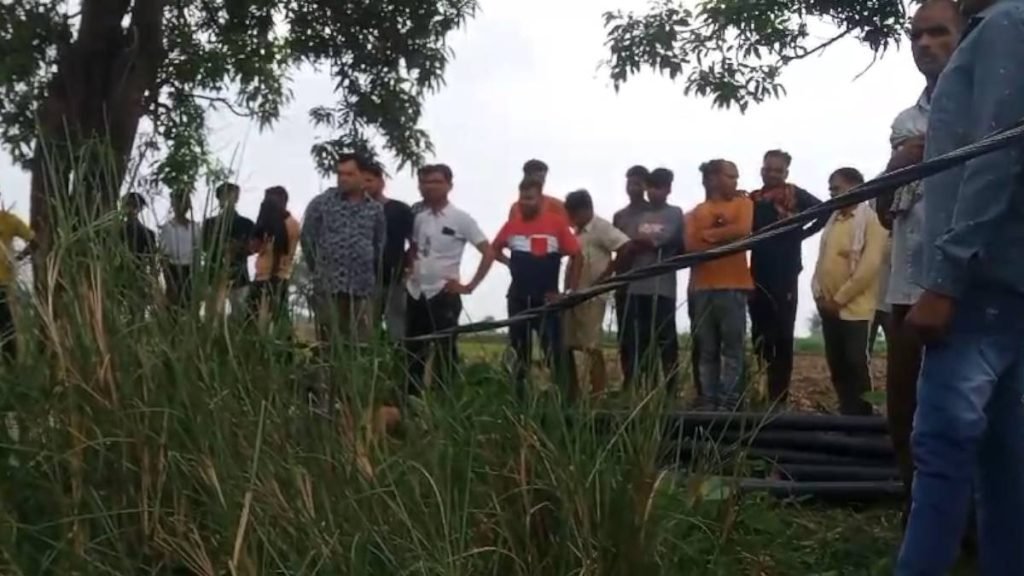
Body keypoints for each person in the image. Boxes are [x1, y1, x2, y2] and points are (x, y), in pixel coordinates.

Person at [898, 0, 1024, 573]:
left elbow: (998, 154)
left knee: (942, 452)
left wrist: (945, 280)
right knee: (1004, 462)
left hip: (978, 285)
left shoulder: (1006, 24)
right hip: (1005, 281)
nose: (924, 43)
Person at [873, 0, 963, 530]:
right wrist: (898, 162)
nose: (925, 44)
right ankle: (918, 507)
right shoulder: (906, 121)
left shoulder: (994, 108)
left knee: (966, 407)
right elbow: (886, 211)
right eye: (916, 36)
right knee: (903, 407)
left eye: (938, 33)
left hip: (966, 284)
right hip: (907, 286)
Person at [405, 164, 494, 396]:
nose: (430, 187)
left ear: (449, 185)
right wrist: (409, 269)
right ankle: (411, 403)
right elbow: (414, 248)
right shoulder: (419, 218)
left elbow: (488, 252)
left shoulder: (460, 219)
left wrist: (469, 286)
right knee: (413, 352)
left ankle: (444, 401)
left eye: (437, 182)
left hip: (443, 293)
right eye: (426, 182)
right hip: (416, 292)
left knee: (445, 353)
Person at [748, 150, 825, 407]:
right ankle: (759, 389)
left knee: (782, 334)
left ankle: (779, 397)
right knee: (760, 333)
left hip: (786, 273)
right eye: (768, 169)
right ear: (762, 169)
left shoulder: (796, 195)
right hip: (757, 273)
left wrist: (801, 233)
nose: (771, 174)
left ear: (786, 173)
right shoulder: (754, 199)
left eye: (777, 170)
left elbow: (825, 211)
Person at [493, 177, 581, 400]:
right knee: (518, 352)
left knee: (554, 352)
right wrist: (509, 263)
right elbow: (494, 249)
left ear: (540, 199)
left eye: (530, 198)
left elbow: (577, 255)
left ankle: (565, 402)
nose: (524, 203)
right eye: (522, 198)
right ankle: (518, 400)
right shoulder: (512, 225)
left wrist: (569, 291)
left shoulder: (556, 224)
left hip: (547, 299)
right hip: (518, 298)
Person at [811, 168, 887, 416]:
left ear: (856, 187)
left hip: (855, 308)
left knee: (856, 362)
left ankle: (862, 418)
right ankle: (846, 414)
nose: (832, 194)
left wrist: (839, 299)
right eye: (831, 189)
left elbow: (869, 267)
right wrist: (818, 294)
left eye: (837, 188)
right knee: (837, 364)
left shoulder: (872, 220)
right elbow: (821, 261)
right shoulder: (833, 220)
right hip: (828, 307)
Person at [685, 160, 753, 411]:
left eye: (736, 177)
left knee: (733, 348)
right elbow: (692, 247)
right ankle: (709, 399)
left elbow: (743, 230)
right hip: (701, 288)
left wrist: (709, 235)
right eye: (730, 176)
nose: (735, 182)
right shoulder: (694, 213)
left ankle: (730, 401)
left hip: (734, 285)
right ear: (712, 179)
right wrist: (724, 236)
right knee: (707, 348)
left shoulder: (744, 204)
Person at [301, 153, 385, 346]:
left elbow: (379, 244)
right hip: (329, 286)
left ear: (363, 176)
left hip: (362, 287)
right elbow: (307, 240)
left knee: (362, 345)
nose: (343, 178)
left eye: (349, 174)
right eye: (340, 174)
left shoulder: (375, 209)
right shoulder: (321, 203)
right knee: (328, 345)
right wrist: (319, 269)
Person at [620, 168, 683, 393]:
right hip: (637, 286)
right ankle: (646, 388)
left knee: (666, 339)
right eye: (651, 187)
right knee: (641, 340)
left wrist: (641, 242)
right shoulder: (639, 215)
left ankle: (671, 389)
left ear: (668, 189)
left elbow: (660, 241)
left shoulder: (674, 213)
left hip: (661, 287)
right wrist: (639, 243)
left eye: (659, 188)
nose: (654, 192)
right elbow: (627, 244)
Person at [563, 189, 631, 398]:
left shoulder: (600, 227)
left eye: (573, 215)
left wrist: (606, 276)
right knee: (567, 343)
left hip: (593, 295)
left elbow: (625, 246)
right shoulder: (577, 232)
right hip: (575, 294)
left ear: (584, 210)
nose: (571, 219)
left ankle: (598, 393)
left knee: (591, 344)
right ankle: (572, 391)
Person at [364, 161, 414, 341]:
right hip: (365, 281)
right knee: (367, 329)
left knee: (397, 329)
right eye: (362, 181)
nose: (365, 185)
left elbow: (414, 242)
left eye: (369, 180)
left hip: (395, 279)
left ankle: (397, 356)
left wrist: (409, 269)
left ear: (381, 182)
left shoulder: (399, 209)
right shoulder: (357, 212)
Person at [249, 186, 300, 327]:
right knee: (251, 318)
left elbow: (282, 251)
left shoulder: (291, 224)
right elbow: (254, 248)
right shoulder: (267, 223)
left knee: (279, 320)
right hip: (261, 275)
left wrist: (273, 277)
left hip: (277, 277)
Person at [203, 183, 255, 317]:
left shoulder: (247, 224)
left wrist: (238, 248)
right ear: (219, 198)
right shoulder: (210, 223)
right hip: (214, 276)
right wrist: (221, 247)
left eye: (231, 196)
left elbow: (253, 247)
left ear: (237, 198)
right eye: (224, 196)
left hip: (239, 277)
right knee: (213, 315)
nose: (227, 199)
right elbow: (204, 247)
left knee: (239, 314)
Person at [612, 165, 649, 341]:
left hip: (646, 278)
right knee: (625, 332)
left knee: (645, 330)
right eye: (630, 183)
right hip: (623, 278)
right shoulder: (620, 215)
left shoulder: (653, 211)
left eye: (637, 183)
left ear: (646, 186)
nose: (633, 187)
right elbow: (614, 245)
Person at [0, 197, 34, 363]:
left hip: (3, 284)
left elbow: (33, 241)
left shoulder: (9, 220)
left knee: (6, 328)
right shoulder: (9, 220)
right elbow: (34, 241)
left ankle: (11, 365)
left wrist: (17, 259)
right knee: (6, 328)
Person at [159, 192, 201, 313]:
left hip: (191, 270)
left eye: (185, 203)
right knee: (174, 305)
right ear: (174, 206)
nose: (182, 207)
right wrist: (169, 279)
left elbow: (197, 253)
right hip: (174, 269)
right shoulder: (168, 228)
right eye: (178, 203)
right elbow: (164, 256)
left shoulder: (195, 227)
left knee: (190, 305)